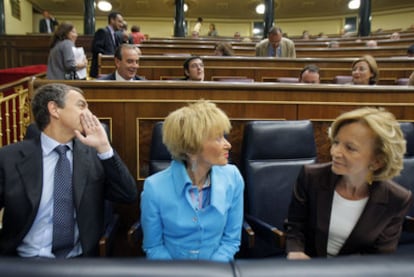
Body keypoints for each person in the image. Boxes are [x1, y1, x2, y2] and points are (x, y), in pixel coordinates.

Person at [0, 83, 138, 258]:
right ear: (54, 109)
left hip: (79, 260)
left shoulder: (95, 153)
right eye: (82, 105)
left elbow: (128, 194)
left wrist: (104, 148)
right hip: (23, 260)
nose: (90, 113)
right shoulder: (9, 158)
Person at [285, 107, 413, 259]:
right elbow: (295, 227)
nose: (335, 152)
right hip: (309, 268)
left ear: (377, 161)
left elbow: (380, 257)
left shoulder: (396, 199)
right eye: (336, 142)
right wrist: (296, 251)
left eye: (350, 148)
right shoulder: (311, 177)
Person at [141, 99, 244, 261]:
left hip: (217, 271)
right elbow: (154, 247)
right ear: (191, 147)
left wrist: (211, 272)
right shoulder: (154, 187)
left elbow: (231, 240)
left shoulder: (233, 177)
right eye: (218, 138)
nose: (228, 145)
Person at [90, 12, 124, 78]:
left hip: (111, 68)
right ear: (112, 20)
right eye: (119, 22)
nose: (121, 25)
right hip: (101, 69)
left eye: (122, 22)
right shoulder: (102, 31)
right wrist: (109, 57)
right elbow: (96, 48)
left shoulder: (115, 35)